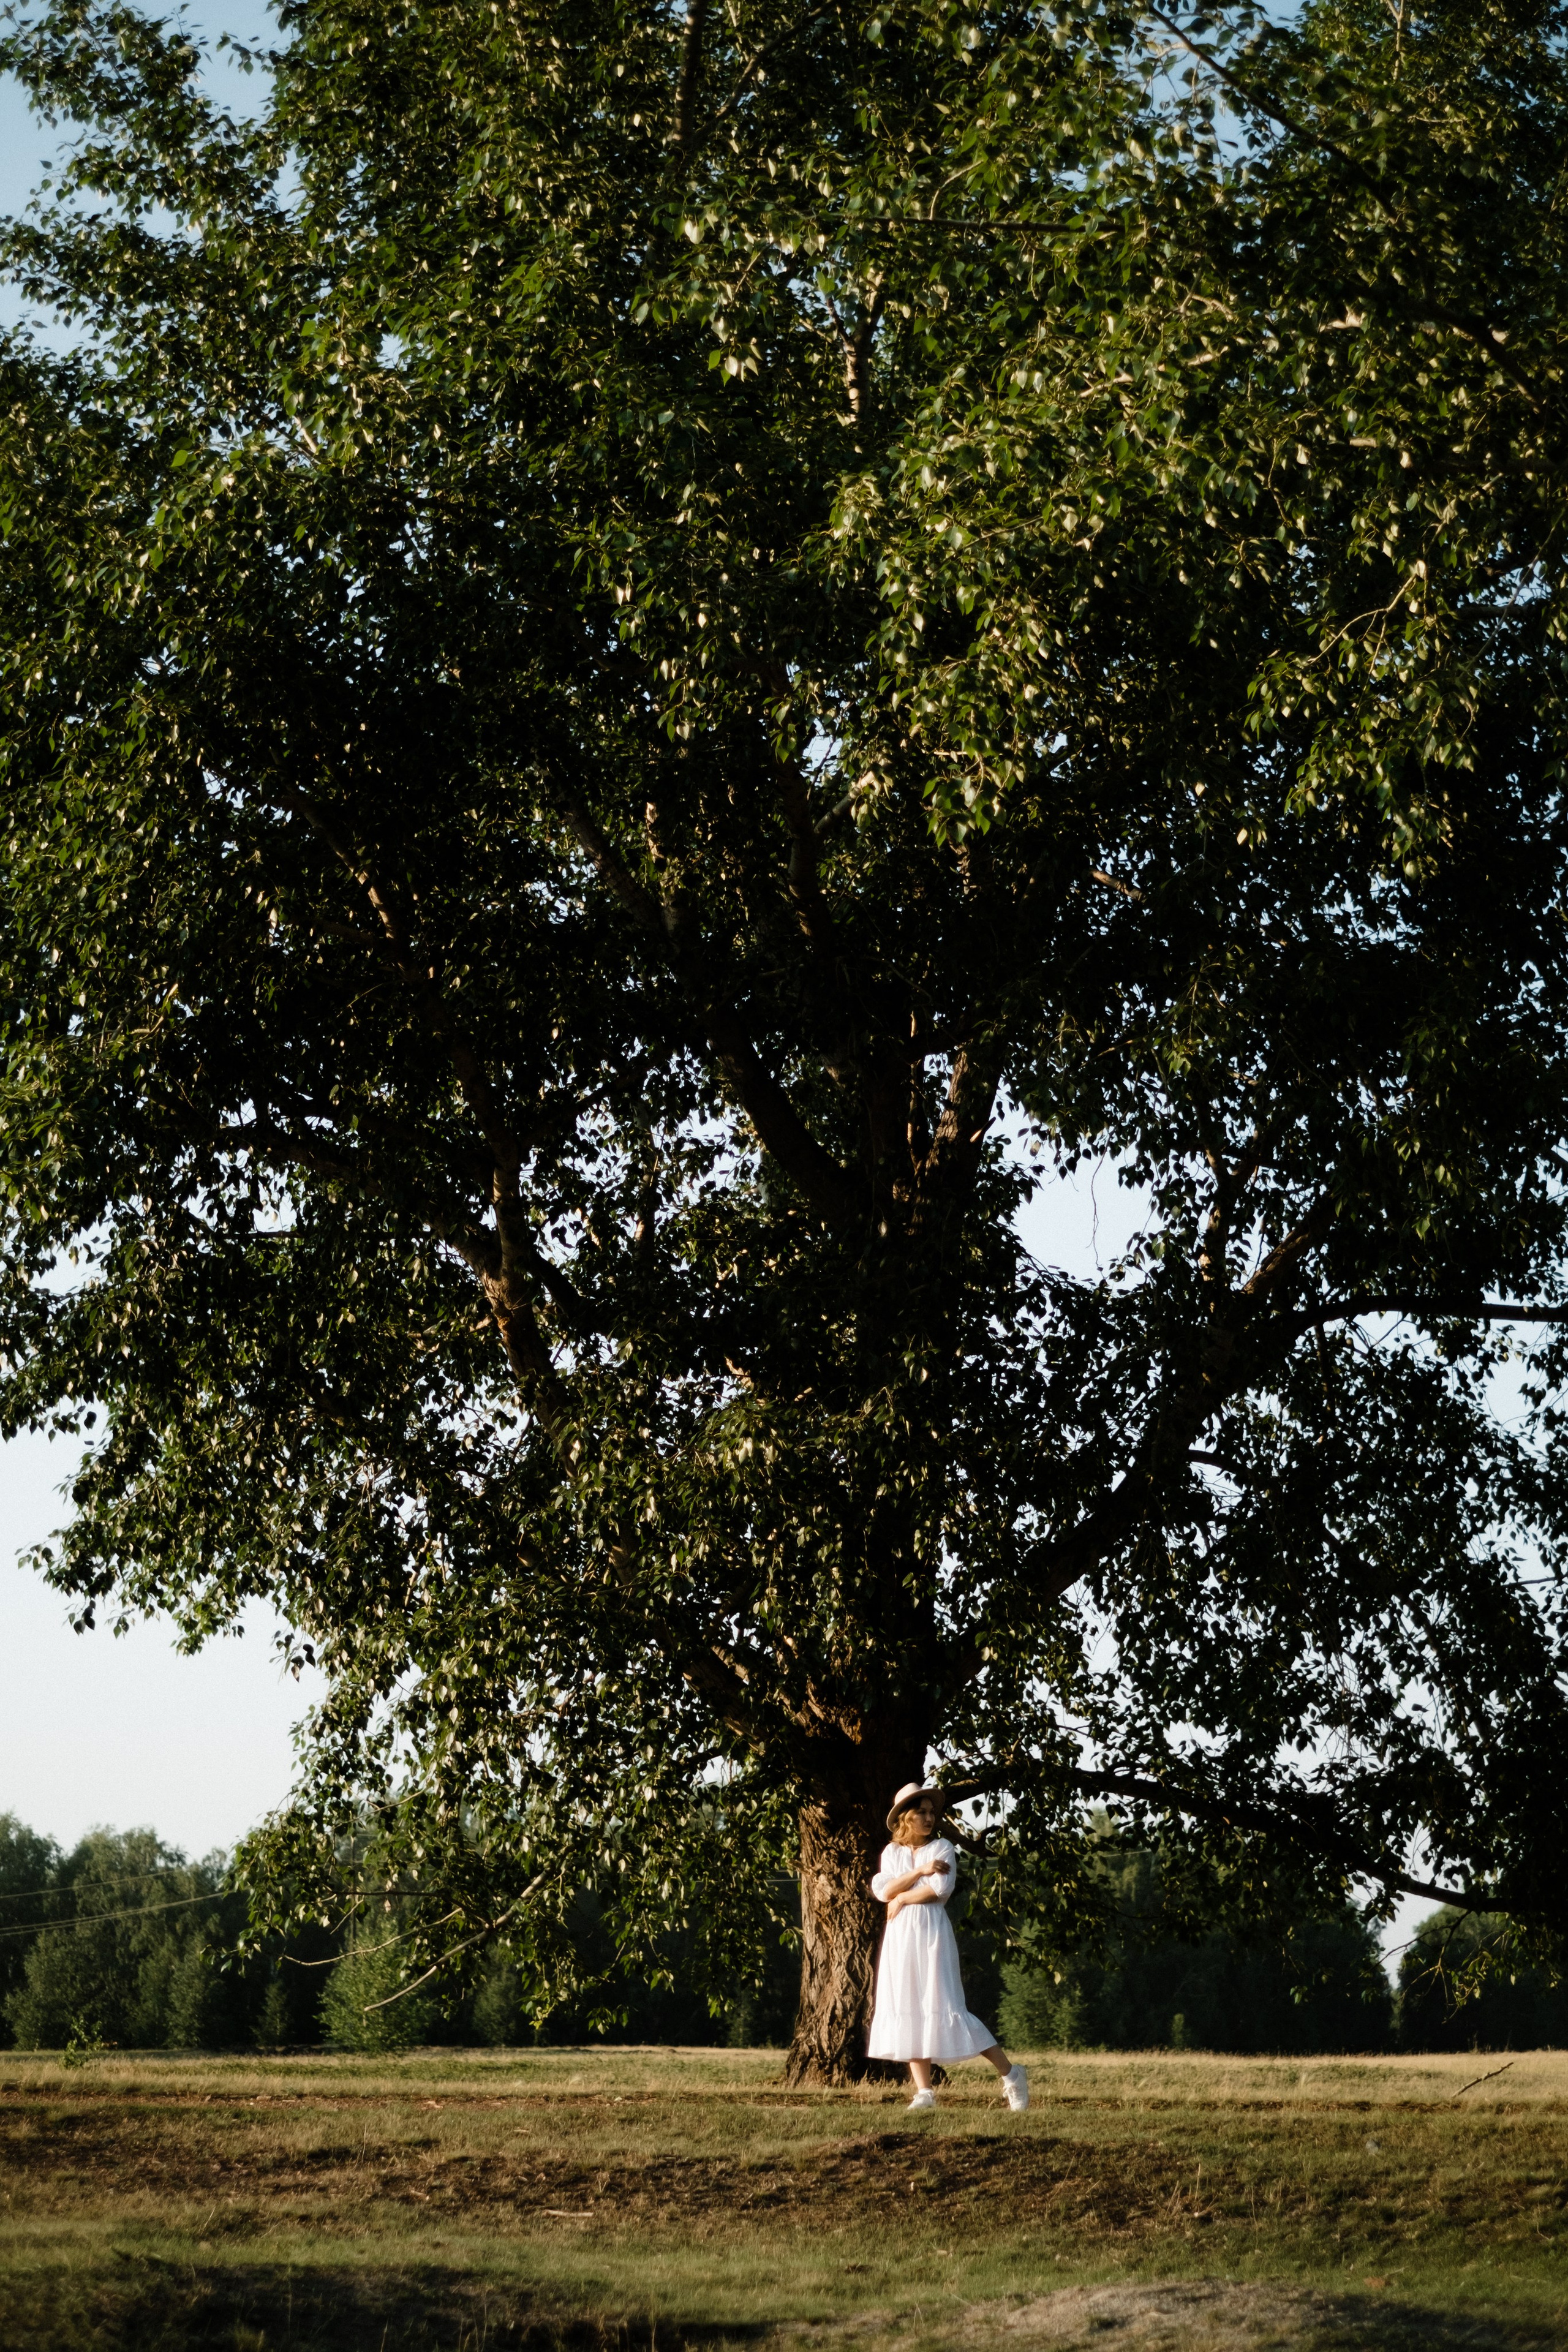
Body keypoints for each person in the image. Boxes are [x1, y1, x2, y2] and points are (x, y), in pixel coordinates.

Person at [868, 1781, 1029, 2113]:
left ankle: (1012, 2076)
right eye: (921, 1813)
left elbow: (938, 1891)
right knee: (908, 2005)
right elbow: (883, 1892)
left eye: (931, 1813)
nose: (929, 1819)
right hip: (900, 1937)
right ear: (905, 1817)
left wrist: (904, 1893)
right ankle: (924, 2092)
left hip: (931, 1933)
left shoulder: (942, 1848)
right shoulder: (892, 1853)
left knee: (949, 2005)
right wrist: (919, 1872)